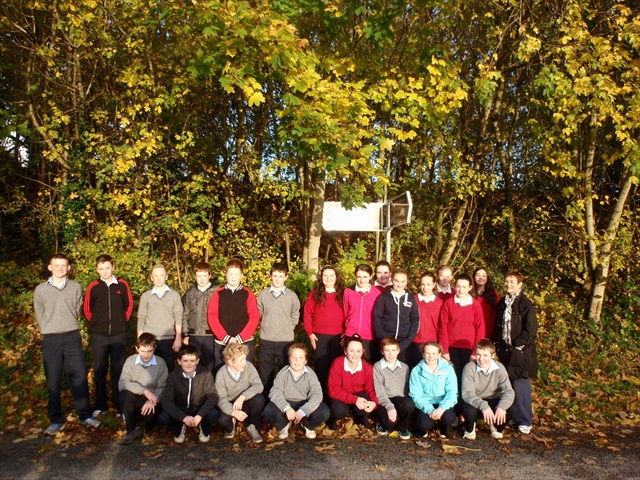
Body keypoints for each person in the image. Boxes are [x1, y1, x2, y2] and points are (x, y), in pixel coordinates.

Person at [34, 254, 101, 436]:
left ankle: (85, 415)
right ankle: (56, 420)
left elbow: (77, 309)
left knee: (78, 376)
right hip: (51, 338)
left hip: (72, 336)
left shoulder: (75, 287)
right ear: (50, 267)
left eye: (64, 265)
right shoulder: (41, 290)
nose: (60, 268)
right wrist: (49, 326)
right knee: (53, 379)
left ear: (69, 268)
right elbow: (40, 313)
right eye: (56, 265)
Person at [83, 254, 134, 418]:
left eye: (107, 268)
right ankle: (100, 405)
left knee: (118, 371)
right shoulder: (93, 287)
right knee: (100, 371)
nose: (105, 271)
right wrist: (96, 324)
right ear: (97, 270)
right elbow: (87, 309)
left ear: (113, 267)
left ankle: (119, 406)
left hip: (118, 335)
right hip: (99, 336)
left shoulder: (122, 285)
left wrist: (121, 322)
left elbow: (129, 305)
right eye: (101, 268)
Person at [494, 270, 538, 435]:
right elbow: (497, 325)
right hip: (504, 350)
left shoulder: (525, 304)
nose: (508, 284)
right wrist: (497, 343)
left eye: (512, 281)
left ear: (520, 284)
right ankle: (512, 415)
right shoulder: (502, 303)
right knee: (508, 385)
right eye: (506, 281)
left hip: (520, 351)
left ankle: (525, 420)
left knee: (521, 386)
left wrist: (518, 346)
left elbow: (531, 329)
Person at [262, 343, 330, 439]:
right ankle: (284, 424)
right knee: (268, 411)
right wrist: (286, 408)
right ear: (289, 360)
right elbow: (275, 392)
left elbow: (317, 395)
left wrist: (303, 410)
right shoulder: (283, 373)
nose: (297, 360)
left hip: (304, 402)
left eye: (301, 357)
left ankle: (307, 425)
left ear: (305, 361)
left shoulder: (310, 374)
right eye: (293, 357)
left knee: (324, 412)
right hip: (286, 402)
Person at [437, 273, 484, 410]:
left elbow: (480, 329)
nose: (460, 290)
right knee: (453, 379)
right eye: (458, 286)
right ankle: (453, 409)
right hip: (451, 349)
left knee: (467, 379)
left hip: (469, 349)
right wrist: (444, 350)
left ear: (470, 288)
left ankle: (466, 410)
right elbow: (443, 327)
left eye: (464, 287)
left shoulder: (475, 305)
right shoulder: (448, 303)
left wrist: (475, 352)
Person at [159, 344, 220, 443]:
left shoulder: (205, 373)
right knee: (163, 417)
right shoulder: (173, 376)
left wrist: (199, 415)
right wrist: (182, 417)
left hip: (198, 408)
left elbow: (213, 396)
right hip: (181, 408)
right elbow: (166, 400)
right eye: (185, 361)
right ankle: (179, 425)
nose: (189, 364)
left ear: (197, 361)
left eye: (192, 361)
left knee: (214, 414)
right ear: (179, 361)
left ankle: (202, 425)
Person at [207, 259, 260, 372]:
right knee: (221, 374)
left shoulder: (248, 294)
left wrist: (240, 338)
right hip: (222, 343)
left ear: (241, 275)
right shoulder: (218, 294)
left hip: (244, 343)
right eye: (230, 273)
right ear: (226, 274)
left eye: (236, 274)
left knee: (245, 374)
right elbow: (212, 317)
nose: (233, 277)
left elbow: (254, 317)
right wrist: (226, 338)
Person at [257, 262, 301, 394]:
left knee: (286, 375)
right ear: (270, 276)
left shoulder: (292, 296)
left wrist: (289, 328)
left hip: (285, 342)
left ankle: (284, 400)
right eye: (275, 275)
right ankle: (265, 401)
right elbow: (258, 313)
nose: (277, 279)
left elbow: (295, 314)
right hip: (267, 340)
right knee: (265, 376)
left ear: (286, 277)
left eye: (281, 276)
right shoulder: (263, 295)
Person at [303, 265, 345, 399]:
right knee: (321, 367)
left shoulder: (343, 293)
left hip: (338, 337)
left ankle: (335, 397)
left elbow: (350, 313)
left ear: (336, 277)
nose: (328, 278)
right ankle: (320, 398)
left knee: (336, 369)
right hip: (319, 337)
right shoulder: (315, 293)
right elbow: (307, 313)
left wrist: (347, 333)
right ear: (321, 277)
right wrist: (310, 333)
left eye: (331, 275)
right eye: (325, 275)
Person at [119, 333, 168, 445]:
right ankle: (132, 428)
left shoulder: (160, 363)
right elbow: (123, 383)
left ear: (154, 348)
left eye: (149, 351)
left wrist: (154, 399)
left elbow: (163, 386)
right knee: (124, 396)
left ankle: (151, 424)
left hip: (152, 399)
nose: (146, 355)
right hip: (135, 397)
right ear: (137, 349)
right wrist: (144, 391)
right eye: (143, 351)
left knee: (150, 421)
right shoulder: (131, 361)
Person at [461, 339, 514, 440]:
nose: (481, 359)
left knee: (511, 409)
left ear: (492, 355)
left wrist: (502, 406)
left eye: (485, 355)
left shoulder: (500, 368)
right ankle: (469, 428)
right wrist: (483, 406)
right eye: (478, 354)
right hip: (474, 401)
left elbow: (508, 390)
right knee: (469, 411)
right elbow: (467, 393)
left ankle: (496, 426)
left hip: (492, 399)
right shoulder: (469, 368)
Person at [215, 343, 265, 443]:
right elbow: (220, 398)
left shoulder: (249, 367)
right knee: (222, 419)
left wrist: (243, 397)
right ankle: (231, 427)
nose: (244, 363)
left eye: (245, 359)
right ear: (230, 362)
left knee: (259, 399)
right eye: (241, 360)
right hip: (230, 403)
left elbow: (259, 386)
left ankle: (252, 425)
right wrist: (233, 412)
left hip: (244, 401)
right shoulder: (221, 374)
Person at [137, 264, 183, 372]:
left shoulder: (174, 295)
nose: (158, 278)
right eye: (156, 276)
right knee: (149, 372)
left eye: (161, 275)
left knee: (168, 371)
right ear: (151, 277)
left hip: (168, 340)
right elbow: (141, 318)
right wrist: (140, 340)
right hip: (149, 341)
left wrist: (178, 338)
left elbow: (178, 317)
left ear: (166, 277)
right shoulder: (146, 296)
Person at [326, 335, 378, 430]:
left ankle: (360, 417)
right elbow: (333, 389)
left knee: (366, 405)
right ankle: (333, 418)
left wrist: (374, 402)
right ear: (345, 351)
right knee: (338, 410)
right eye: (351, 351)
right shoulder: (337, 363)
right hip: (341, 394)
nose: (355, 355)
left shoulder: (366, 366)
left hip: (358, 393)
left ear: (362, 352)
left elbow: (370, 388)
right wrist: (354, 400)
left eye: (358, 351)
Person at [409, 342, 457, 438]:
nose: (431, 357)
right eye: (427, 353)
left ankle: (442, 426)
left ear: (439, 354)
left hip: (442, 402)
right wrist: (430, 410)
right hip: (425, 403)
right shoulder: (416, 370)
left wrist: (442, 408)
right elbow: (415, 395)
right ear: (423, 354)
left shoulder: (448, 369)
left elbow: (452, 392)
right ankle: (424, 428)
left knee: (449, 418)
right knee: (424, 424)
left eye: (434, 353)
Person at [372, 268, 420, 363]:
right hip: (385, 343)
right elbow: (376, 318)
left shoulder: (411, 299)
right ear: (392, 280)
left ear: (406, 282)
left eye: (403, 282)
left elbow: (415, 320)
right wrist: (383, 341)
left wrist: (405, 343)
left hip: (404, 345)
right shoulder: (383, 297)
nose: (399, 284)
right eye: (396, 281)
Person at [372, 337, 414, 439]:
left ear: (398, 351)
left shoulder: (404, 367)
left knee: (408, 404)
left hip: (399, 399)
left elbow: (406, 389)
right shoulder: (377, 366)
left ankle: (403, 427)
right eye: (387, 350)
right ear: (382, 352)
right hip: (383, 400)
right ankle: (383, 423)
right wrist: (389, 406)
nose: (390, 354)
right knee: (389, 424)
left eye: (393, 350)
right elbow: (379, 391)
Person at [182, 261, 218, 373]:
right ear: (195, 276)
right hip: (194, 336)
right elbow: (185, 314)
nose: (202, 279)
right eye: (199, 276)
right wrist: (185, 334)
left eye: (204, 275)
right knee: (194, 367)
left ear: (209, 275)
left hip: (210, 336)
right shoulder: (189, 293)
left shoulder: (216, 292)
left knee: (210, 368)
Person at [343, 264, 381, 359]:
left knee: (366, 364)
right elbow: (345, 312)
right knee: (350, 361)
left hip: (369, 335)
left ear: (370, 277)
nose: (362, 280)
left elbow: (378, 315)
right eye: (359, 277)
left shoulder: (377, 293)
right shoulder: (348, 291)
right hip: (350, 333)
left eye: (365, 277)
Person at [407, 272, 443, 368]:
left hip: (432, 345)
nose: (425, 287)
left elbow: (441, 326)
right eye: (422, 284)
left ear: (434, 285)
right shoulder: (412, 300)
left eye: (428, 284)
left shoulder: (440, 303)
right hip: (414, 343)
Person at [472, 267, 500, 339]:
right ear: (474, 277)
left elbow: (496, 315)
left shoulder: (493, 294)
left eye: (484, 276)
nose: (480, 278)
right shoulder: (469, 293)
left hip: (487, 333)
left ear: (487, 278)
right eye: (478, 275)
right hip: (471, 332)